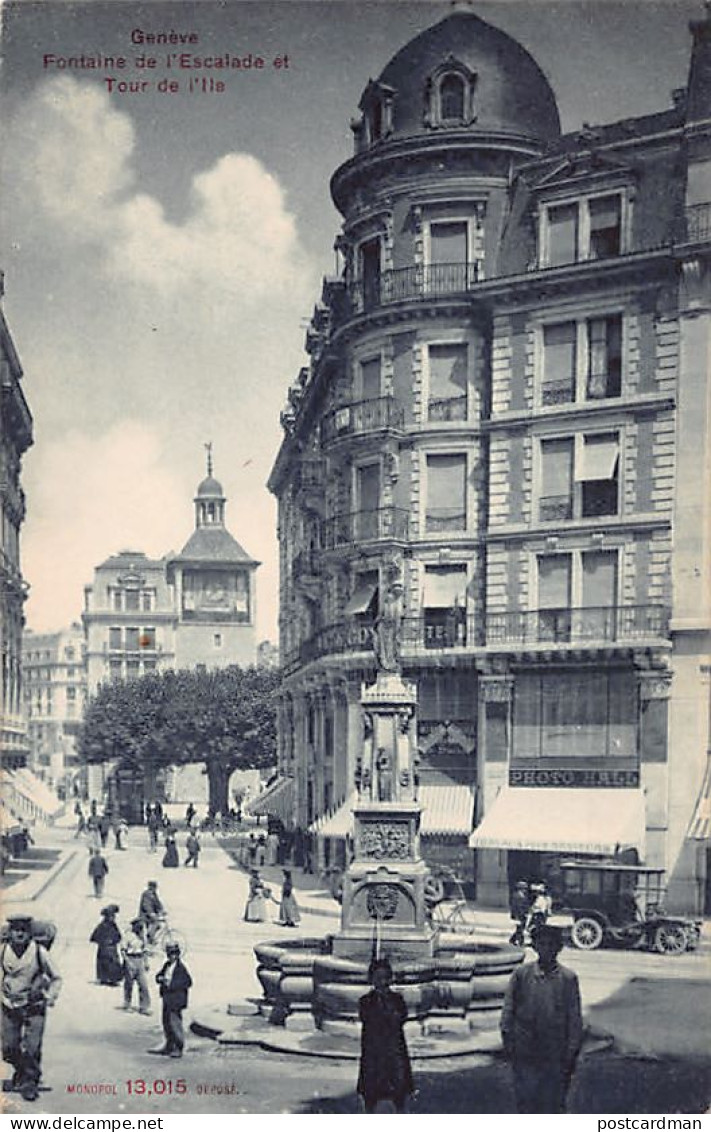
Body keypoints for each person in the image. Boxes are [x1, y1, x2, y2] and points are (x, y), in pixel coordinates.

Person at [500, 924, 583, 1114]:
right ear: (535, 947)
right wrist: (509, 1044)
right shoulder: (521, 975)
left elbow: (574, 1019)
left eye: (551, 945)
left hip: (555, 1053)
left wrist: (570, 1054)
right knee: (527, 1102)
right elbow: (508, 1012)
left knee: (553, 1104)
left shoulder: (568, 979)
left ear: (559, 948)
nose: (547, 949)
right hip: (526, 1051)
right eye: (542, 944)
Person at [0, 914, 62, 1102]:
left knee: (32, 1047)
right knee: (9, 1048)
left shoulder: (39, 952)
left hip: (34, 1005)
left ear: (30, 934)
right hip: (9, 1004)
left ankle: (30, 1082)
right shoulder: (3, 950)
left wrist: (49, 996)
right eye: (15, 930)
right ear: (9, 933)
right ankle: (22, 1073)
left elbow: (56, 977)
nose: (19, 934)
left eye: (23, 931)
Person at [356, 957, 413, 1114]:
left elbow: (401, 1017)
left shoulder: (397, 999)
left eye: (386, 978)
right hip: (373, 1053)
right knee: (370, 1092)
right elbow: (368, 1019)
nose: (383, 983)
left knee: (399, 1090)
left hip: (394, 1051)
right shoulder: (365, 1001)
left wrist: (387, 1005)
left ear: (390, 979)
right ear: (371, 980)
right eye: (378, 978)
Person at [151, 943, 192, 1059]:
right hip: (167, 998)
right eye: (169, 954)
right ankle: (169, 1045)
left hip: (176, 999)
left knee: (175, 1023)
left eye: (173, 954)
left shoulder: (181, 968)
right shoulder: (167, 965)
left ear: (177, 954)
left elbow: (188, 982)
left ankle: (178, 1047)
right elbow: (159, 975)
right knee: (166, 1023)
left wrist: (170, 984)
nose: (171, 956)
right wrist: (159, 978)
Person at [121, 919, 151, 1015]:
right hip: (130, 959)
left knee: (143, 985)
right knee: (129, 984)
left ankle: (144, 1007)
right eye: (139, 926)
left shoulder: (142, 937)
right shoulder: (128, 936)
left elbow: (145, 950)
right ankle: (127, 1004)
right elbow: (123, 951)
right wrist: (128, 963)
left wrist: (146, 962)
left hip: (140, 960)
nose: (141, 928)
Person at [89, 906, 123, 986]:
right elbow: (94, 936)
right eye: (111, 916)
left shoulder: (113, 925)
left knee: (113, 963)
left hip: (111, 948)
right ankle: (104, 978)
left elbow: (118, 936)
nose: (113, 918)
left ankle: (113, 979)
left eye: (113, 916)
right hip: (104, 948)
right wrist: (103, 942)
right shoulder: (102, 926)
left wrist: (113, 941)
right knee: (105, 963)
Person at [509, 880, 530, 947]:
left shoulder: (519, 895)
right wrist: (523, 914)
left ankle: (513, 939)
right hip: (520, 915)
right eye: (524, 888)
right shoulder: (519, 896)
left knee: (520, 929)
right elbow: (517, 907)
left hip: (520, 914)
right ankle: (520, 941)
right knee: (520, 929)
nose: (525, 890)